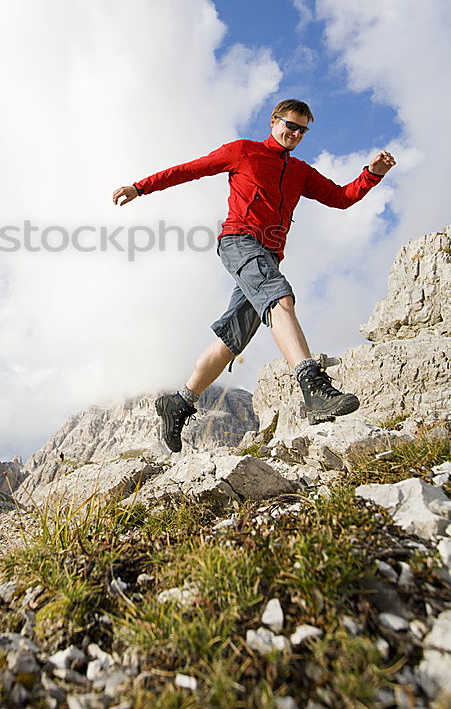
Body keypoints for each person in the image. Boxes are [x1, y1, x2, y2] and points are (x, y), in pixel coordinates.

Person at [112, 99, 396, 452]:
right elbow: (191, 169)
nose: (295, 134)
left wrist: (372, 174)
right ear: (273, 122)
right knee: (281, 299)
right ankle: (313, 386)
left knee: (232, 341)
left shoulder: (301, 172)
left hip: (268, 257)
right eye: (290, 126)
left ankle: (180, 402)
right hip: (239, 242)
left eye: (302, 130)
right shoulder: (243, 152)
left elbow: (341, 197)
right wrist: (140, 187)